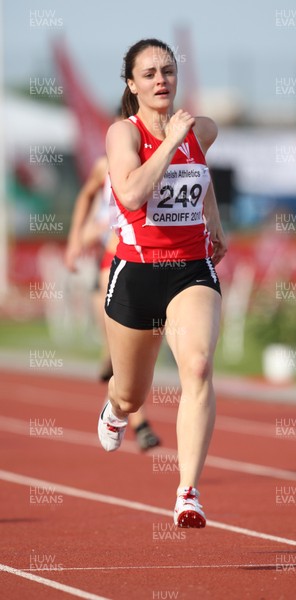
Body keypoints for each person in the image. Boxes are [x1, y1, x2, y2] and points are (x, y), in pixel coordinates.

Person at [98, 38, 227, 528]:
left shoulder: (202, 130)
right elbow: (130, 194)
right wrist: (170, 141)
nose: (160, 80)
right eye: (149, 73)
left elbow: (202, 174)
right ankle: (114, 409)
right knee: (132, 394)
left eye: (167, 71)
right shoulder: (122, 135)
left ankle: (187, 492)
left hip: (191, 268)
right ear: (131, 84)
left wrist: (214, 220)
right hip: (137, 271)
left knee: (196, 366)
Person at [65, 146, 161, 451]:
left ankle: (137, 419)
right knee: (118, 351)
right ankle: (139, 420)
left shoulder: (160, 161)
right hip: (113, 260)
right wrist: (75, 239)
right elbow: (86, 196)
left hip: (151, 262)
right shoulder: (105, 163)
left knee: (130, 355)